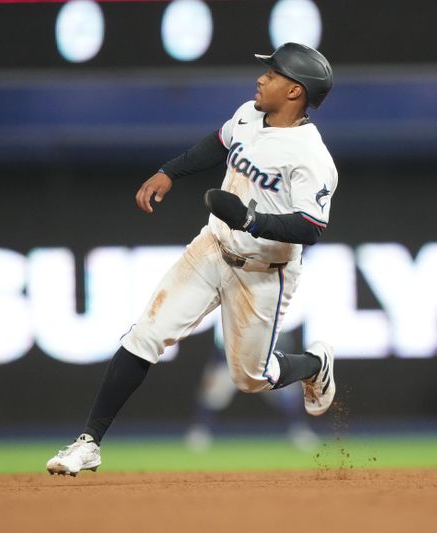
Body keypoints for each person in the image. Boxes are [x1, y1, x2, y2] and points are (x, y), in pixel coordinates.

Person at [46, 42, 337, 476]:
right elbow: (218, 143)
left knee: (250, 378)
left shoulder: (311, 155)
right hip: (212, 248)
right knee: (145, 334)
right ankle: (89, 443)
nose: (261, 78)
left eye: (273, 75)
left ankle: (316, 364)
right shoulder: (248, 114)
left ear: (295, 92)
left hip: (262, 273)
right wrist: (170, 171)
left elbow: (312, 227)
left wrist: (252, 219)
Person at [184, 326, 320, 453]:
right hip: (232, 362)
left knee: (289, 395)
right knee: (212, 394)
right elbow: (221, 343)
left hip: (265, 363)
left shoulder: (272, 310)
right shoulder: (232, 310)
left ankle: (300, 430)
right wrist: (214, 364)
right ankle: (200, 431)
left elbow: (283, 342)